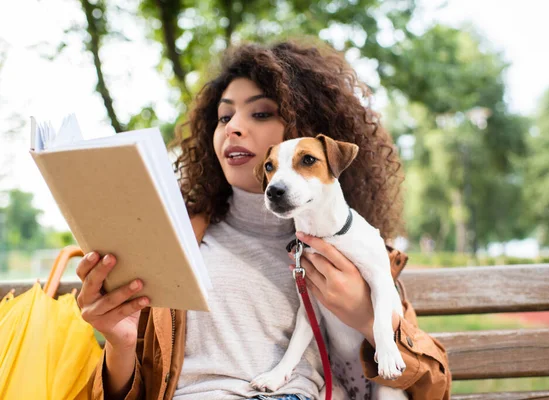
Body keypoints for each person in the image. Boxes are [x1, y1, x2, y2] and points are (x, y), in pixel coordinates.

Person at [77, 40, 451, 400]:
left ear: (306, 128)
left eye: (260, 113)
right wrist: (120, 342)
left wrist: (367, 319)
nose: (233, 128)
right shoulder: (174, 240)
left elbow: (432, 387)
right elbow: (128, 388)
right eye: (224, 116)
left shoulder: (353, 248)